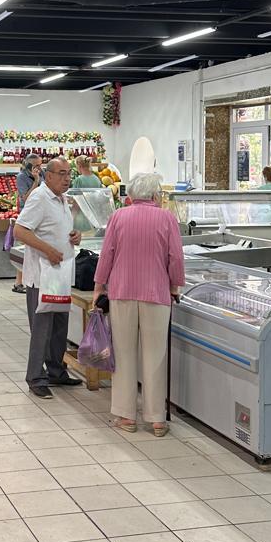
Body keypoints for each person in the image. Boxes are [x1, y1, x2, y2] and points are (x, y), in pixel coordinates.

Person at [92, 172, 185, 435]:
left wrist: (98, 286)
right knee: (155, 356)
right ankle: (156, 419)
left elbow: (107, 254)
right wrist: (174, 286)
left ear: (131, 195)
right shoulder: (167, 218)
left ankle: (126, 416)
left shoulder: (118, 216)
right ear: (156, 194)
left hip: (122, 292)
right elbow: (176, 258)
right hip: (157, 294)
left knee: (123, 354)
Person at [13, 156, 82, 398]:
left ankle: (56, 371)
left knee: (60, 327)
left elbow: (58, 229)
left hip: (60, 274)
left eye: (69, 173)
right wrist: (48, 250)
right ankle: (35, 377)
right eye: (62, 174)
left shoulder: (62, 199)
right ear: (48, 175)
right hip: (42, 275)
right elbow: (20, 230)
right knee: (42, 328)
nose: (67, 178)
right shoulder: (40, 198)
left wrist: (74, 236)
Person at [12, 154, 43, 292]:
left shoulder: (42, 173)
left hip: (40, 215)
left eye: (40, 165)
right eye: (36, 165)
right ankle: (18, 282)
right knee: (24, 248)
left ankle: (33, 281)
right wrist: (36, 181)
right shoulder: (21, 177)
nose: (39, 168)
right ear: (29, 165)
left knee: (34, 249)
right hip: (27, 216)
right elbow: (26, 198)